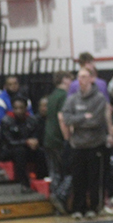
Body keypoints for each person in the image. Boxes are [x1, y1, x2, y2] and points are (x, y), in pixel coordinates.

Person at [62, 66, 113, 220]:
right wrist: (84, 117)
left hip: (95, 144)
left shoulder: (99, 98)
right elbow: (67, 118)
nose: (81, 80)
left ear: (91, 79)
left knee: (94, 179)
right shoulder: (72, 99)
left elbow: (97, 121)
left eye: (84, 77)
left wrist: (77, 122)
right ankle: (78, 208)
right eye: (79, 77)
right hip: (78, 145)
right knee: (78, 179)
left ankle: (94, 208)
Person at [0, 97, 47, 192]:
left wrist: (35, 142)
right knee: (20, 152)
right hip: (9, 150)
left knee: (40, 152)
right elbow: (9, 142)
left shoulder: (32, 120)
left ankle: (41, 181)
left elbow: (36, 136)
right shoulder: (6, 121)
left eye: (21, 108)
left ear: (26, 108)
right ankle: (24, 184)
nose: (19, 111)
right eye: (16, 108)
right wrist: (26, 142)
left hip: (27, 148)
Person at [44, 71, 74, 213]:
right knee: (69, 171)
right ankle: (59, 195)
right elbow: (62, 118)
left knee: (54, 172)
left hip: (48, 137)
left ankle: (55, 204)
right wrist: (68, 138)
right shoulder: (63, 96)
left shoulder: (52, 95)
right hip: (58, 137)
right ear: (64, 80)